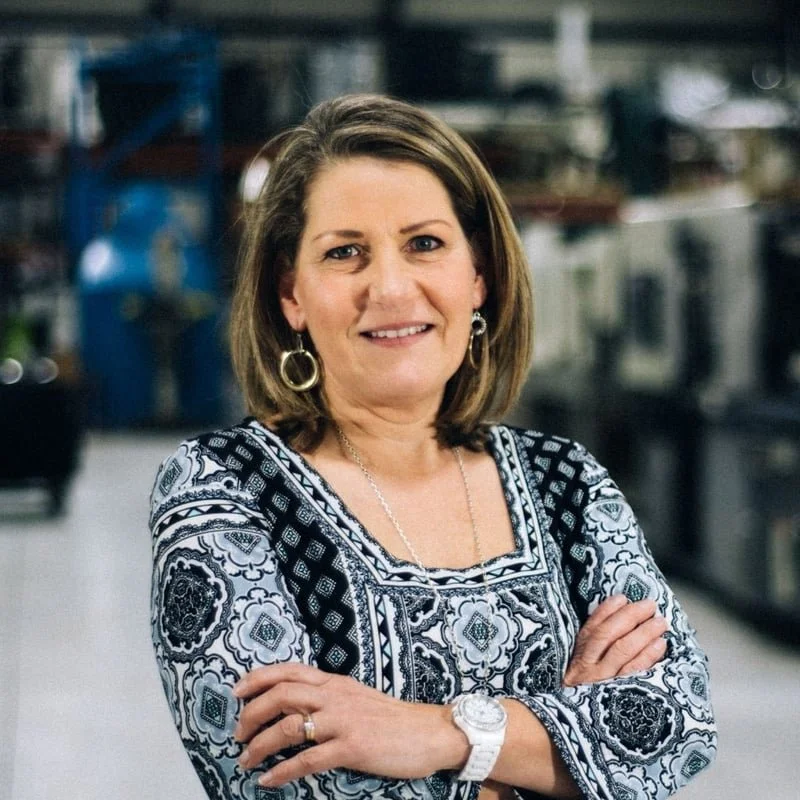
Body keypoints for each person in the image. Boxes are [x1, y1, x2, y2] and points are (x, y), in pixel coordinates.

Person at [149, 94, 716, 800]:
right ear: (291, 294)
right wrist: (564, 752)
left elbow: (680, 724)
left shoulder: (567, 482)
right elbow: (283, 781)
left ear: (477, 275)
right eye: (345, 252)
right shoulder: (223, 487)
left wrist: (441, 736)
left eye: (424, 244)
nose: (390, 288)